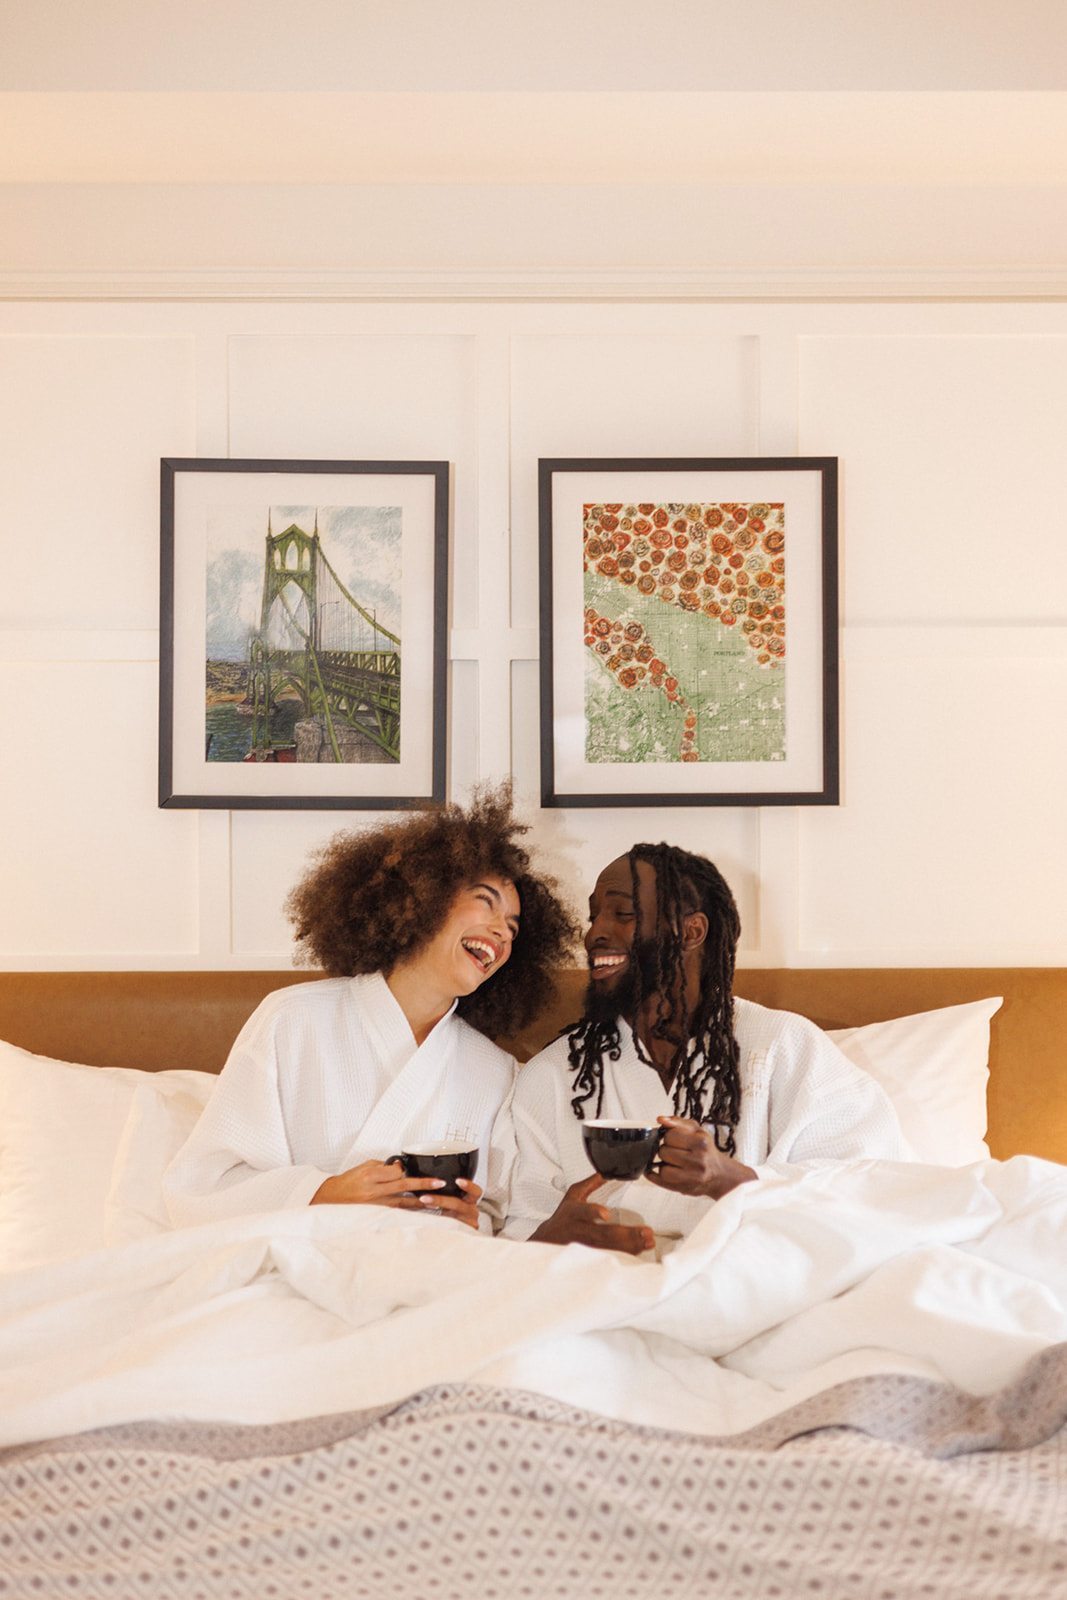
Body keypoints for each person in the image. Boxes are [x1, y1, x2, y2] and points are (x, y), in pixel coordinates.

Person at [164, 787, 575, 1234]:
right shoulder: (292, 1019)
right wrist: (323, 1193)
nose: (502, 933)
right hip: (299, 1255)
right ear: (423, 897)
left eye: (513, 927)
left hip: (432, 1263)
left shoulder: (495, 1070)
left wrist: (470, 1220)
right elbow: (203, 1189)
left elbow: (496, 1216)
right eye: (486, 903)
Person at [504, 843, 909, 1254]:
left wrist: (727, 1179)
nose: (594, 934)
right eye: (594, 916)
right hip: (603, 1281)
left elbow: (875, 1187)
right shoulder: (553, 1074)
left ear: (691, 932)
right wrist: (551, 1236)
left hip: (755, 1273)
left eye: (623, 913)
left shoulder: (782, 1044)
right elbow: (515, 1241)